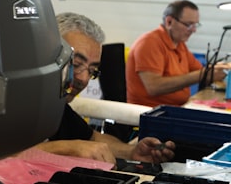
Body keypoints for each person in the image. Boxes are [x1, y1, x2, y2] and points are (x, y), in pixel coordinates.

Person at [32, 12, 174, 165]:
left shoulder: (57, 106)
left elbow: (92, 138)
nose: (84, 78)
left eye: (92, 71)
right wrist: (66, 147)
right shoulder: (13, 101)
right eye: (76, 64)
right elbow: (5, 154)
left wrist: (132, 152)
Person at [126, 0, 230, 107]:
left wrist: (221, 69)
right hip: (151, 113)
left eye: (195, 25)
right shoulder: (149, 43)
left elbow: (200, 71)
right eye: (189, 24)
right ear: (169, 22)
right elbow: (154, 87)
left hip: (175, 108)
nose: (193, 30)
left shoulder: (179, 44)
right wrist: (202, 75)